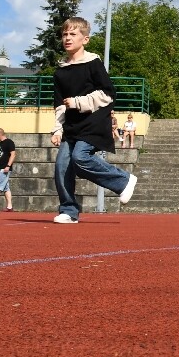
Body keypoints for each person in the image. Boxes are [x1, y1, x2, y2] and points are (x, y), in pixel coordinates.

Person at [49, 17, 137, 224]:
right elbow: (60, 105)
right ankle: (69, 211)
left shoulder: (93, 64)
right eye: (65, 34)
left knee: (80, 157)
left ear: (85, 39)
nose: (67, 38)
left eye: (73, 34)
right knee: (62, 165)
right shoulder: (60, 71)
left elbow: (108, 94)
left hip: (94, 122)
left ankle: (123, 180)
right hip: (71, 126)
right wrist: (57, 130)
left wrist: (79, 102)